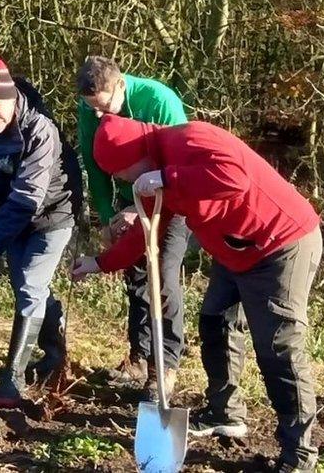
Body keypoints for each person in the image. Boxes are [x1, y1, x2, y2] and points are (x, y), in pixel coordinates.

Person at [72, 115, 322, 473]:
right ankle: (226, 412)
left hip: (279, 243)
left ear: (134, 156)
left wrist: (167, 177)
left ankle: (299, 453)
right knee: (215, 323)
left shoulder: (189, 140)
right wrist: (101, 263)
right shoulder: (157, 172)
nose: (128, 183)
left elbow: (234, 177)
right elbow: (149, 234)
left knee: (279, 346)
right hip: (235, 250)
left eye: (125, 174)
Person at [0, 47, 83, 407]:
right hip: (12, 215)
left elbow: (27, 198)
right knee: (26, 285)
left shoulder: (40, 130)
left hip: (53, 213)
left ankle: (12, 379)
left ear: (12, 97)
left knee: (29, 284)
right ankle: (55, 351)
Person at [75, 55, 189, 398]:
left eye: (104, 104)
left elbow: (180, 162)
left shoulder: (159, 101)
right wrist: (109, 214)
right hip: (128, 202)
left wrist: (138, 206)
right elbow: (94, 166)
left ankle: (165, 366)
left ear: (121, 85)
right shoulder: (90, 109)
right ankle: (140, 357)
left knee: (163, 278)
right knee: (136, 278)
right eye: (90, 106)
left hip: (172, 201)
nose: (97, 113)